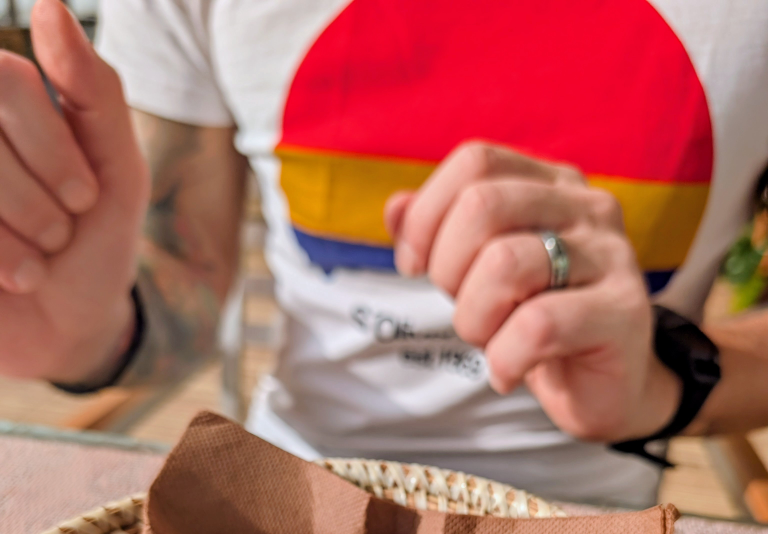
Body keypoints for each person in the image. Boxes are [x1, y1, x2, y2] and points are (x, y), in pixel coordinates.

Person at [0, 0, 766, 507]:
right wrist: (88, 332)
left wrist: (667, 381)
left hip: (592, 524)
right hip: (294, 502)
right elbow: (183, 276)